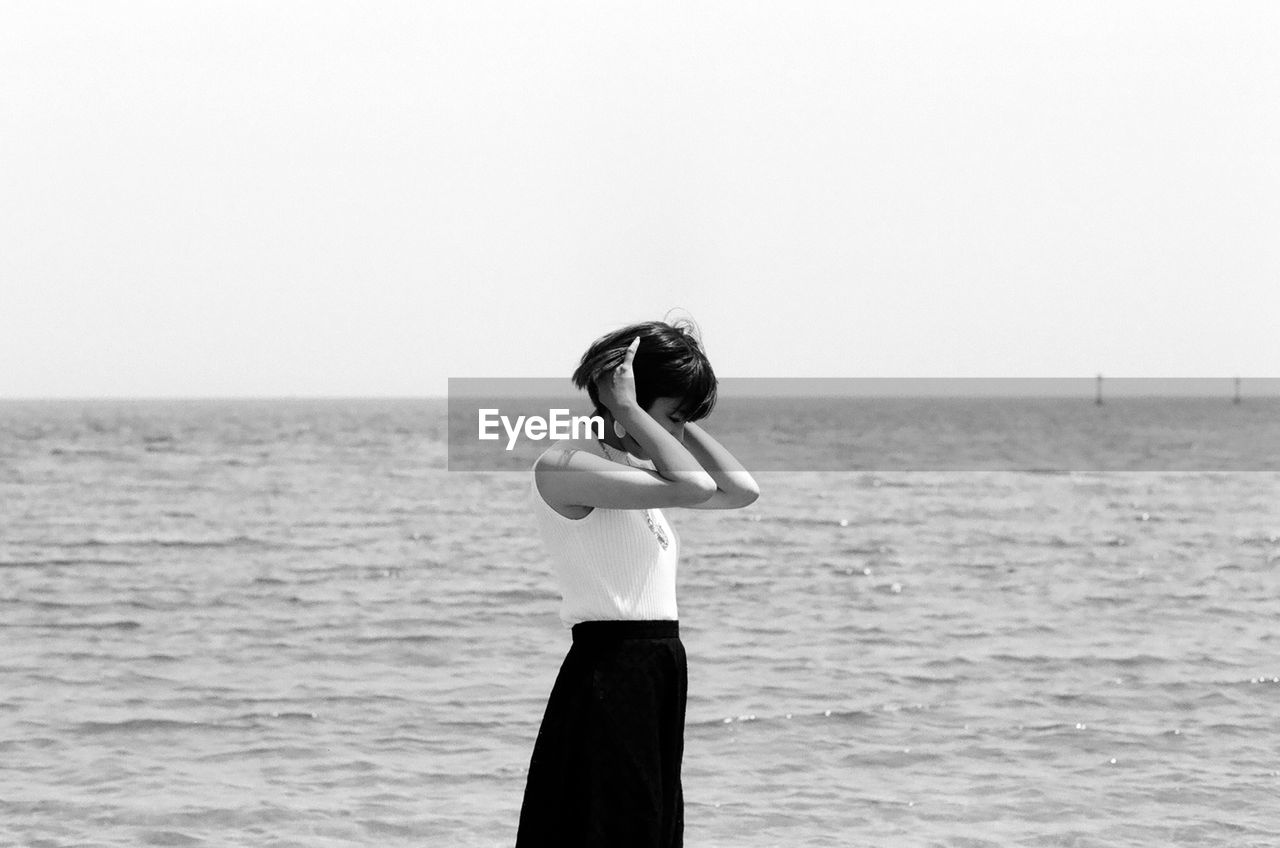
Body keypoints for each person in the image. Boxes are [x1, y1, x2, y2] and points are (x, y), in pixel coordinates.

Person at [515, 319, 759, 847]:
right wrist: (626, 409)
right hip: (610, 674)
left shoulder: (632, 473)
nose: (675, 436)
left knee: (648, 830)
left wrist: (672, 419)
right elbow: (696, 485)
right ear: (624, 397)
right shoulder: (565, 465)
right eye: (672, 417)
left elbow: (741, 490)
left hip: (657, 674)